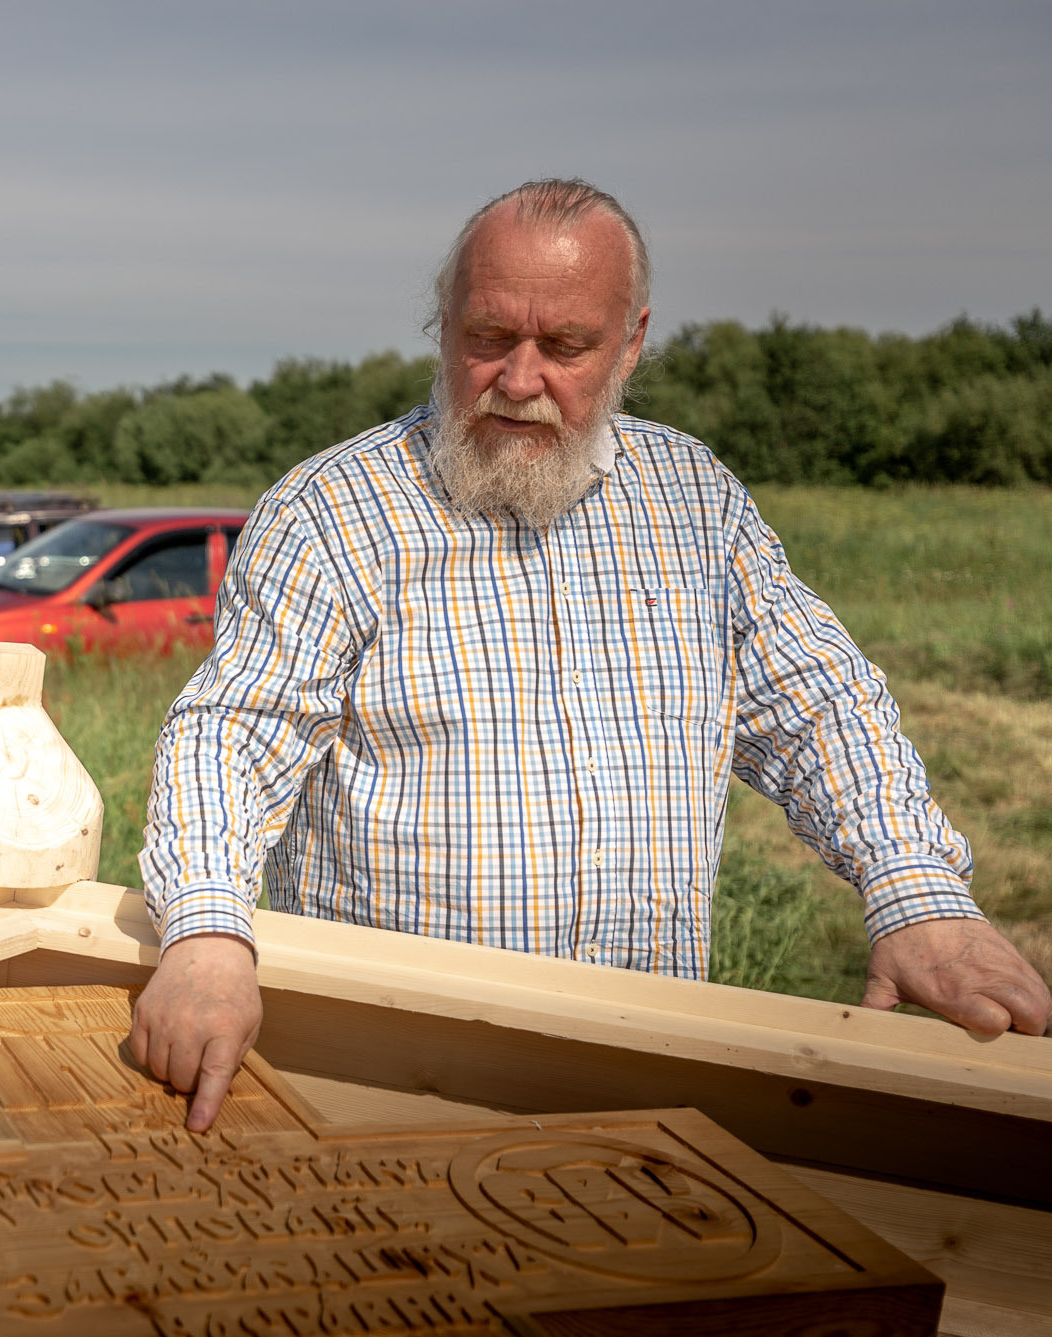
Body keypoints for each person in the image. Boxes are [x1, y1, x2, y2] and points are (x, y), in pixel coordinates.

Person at [130, 178, 1052, 1132]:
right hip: (387, 1083)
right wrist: (205, 935)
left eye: (565, 347)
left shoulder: (695, 501)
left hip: (646, 1075)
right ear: (442, 324)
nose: (520, 380)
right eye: (488, 337)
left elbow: (818, 702)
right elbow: (232, 733)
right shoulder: (333, 512)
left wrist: (918, 897)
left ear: (632, 341)